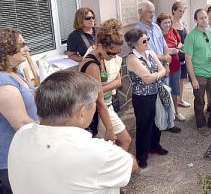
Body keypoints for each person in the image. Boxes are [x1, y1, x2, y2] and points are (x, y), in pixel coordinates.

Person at [8, 71, 138, 194]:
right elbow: (131, 164)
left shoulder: (20, 135)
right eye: (94, 103)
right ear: (81, 113)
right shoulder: (95, 151)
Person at [79, 19, 131, 151]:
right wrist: (109, 129)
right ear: (100, 46)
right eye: (111, 53)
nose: (114, 57)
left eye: (117, 53)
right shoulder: (92, 65)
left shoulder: (100, 58)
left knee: (107, 148)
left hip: (105, 108)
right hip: (99, 110)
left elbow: (117, 81)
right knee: (125, 140)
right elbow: (99, 101)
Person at [0, 28, 38, 194]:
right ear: (6, 48)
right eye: (22, 45)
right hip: (12, 159)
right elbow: (21, 123)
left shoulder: (17, 74)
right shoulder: (3, 81)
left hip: (26, 151)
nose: (27, 48)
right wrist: (53, 132)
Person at [125, 28, 170, 169]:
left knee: (157, 122)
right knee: (144, 126)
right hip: (142, 98)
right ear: (134, 45)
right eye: (144, 41)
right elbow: (147, 79)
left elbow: (162, 70)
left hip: (156, 93)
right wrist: (157, 74)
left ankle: (155, 146)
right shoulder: (132, 58)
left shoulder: (150, 52)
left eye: (147, 39)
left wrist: (155, 75)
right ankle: (142, 156)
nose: (147, 42)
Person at [184, 9, 211, 136]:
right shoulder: (191, 36)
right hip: (198, 73)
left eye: (206, 18)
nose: (205, 20)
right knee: (200, 100)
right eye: (201, 18)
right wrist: (193, 79)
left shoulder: (209, 32)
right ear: (196, 20)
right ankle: (201, 125)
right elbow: (188, 60)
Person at [157, 12, 186, 121]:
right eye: (165, 23)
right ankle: (165, 114)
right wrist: (169, 51)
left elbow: (180, 43)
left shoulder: (173, 31)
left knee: (175, 90)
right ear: (159, 24)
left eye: (169, 22)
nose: (168, 25)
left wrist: (177, 48)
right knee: (165, 90)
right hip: (164, 67)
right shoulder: (158, 35)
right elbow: (157, 51)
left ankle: (176, 112)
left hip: (176, 65)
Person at [135, 0, 171, 83]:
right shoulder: (137, 31)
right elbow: (144, 53)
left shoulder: (156, 27)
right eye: (149, 12)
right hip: (150, 72)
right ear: (140, 12)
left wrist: (166, 64)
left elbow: (164, 46)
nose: (152, 15)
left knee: (166, 94)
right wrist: (164, 58)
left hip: (163, 69)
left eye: (153, 12)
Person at [171, 1, 191, 108]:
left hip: (183, 54)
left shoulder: (183, 24)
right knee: (174, 78)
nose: (181, 13)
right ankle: (173, 101)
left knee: (182, 78)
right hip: (174, 55)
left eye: (183, 11)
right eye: (179, 11)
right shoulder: (169, 24)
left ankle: (180, 99)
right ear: (174, 10)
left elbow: (187, 38)